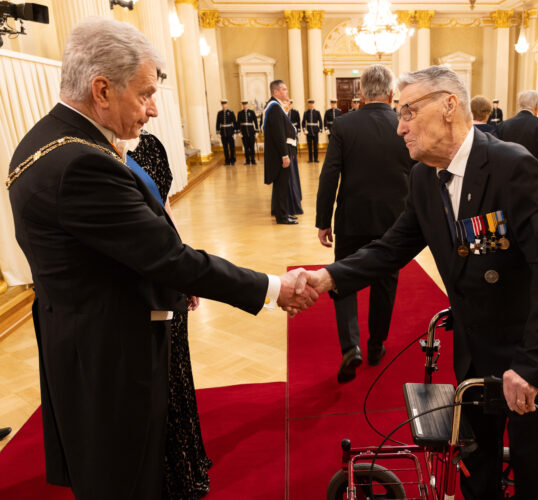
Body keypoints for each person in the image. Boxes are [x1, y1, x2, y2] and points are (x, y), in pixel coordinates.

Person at [7, 18, 317, 499]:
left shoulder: (48, 138)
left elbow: (120, 248)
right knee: (124, 472)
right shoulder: (83, 162)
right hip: (108, 349)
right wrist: (274, 288)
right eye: (146, 93)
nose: (153, 109)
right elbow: (168, 257)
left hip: (81, 329)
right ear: (102, 89)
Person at [306, 65, 538, 499]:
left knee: (531, 471)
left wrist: (530, 365)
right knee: (477, 463)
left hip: (531, 351)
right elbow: (391, 247)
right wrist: (326, 277)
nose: (400, 128)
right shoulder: (424, 178)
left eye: (408, 113)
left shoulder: (512, 167)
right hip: (476, 350)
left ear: (449, 106)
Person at [315, 64, 414, 383]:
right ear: (390, 94)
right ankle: (376, 345)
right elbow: (416, 170)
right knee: (385, 281)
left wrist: (322, 220)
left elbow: (330, 173)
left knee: (342, 277)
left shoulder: (343, 125)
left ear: (360, 93)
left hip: (351, 218)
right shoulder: (403, 124)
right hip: (393, 219)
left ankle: (350, 347)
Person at [128, 130, 210, 498]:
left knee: (176, 370)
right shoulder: (91, 153)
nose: (152, 107)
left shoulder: (150, 145)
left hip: (167, 272)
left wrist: (186, 272)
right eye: (143, 94)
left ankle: (185, 464)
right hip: (133, 287)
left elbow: (165, 207)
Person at [497, 90, 538, 190]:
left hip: (508, 182)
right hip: (532, 182)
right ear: (536, 106)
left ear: (520, 105)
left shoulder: (503, 126)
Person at [264, 80, 299, 225]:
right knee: (281, 186)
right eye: (284, 89)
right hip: (280, 155)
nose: (286, 91)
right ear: (276, 92)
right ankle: (282, 217)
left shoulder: (276, 107)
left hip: (281, 153)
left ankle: (284, 213)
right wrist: (285, 155)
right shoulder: (274, 108)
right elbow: (279, 134)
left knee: (282, 186)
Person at [215, 99, 237, 165]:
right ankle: (227, 160)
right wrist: (218, 131)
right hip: (223, 132)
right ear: (221, 105)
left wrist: (235, 132)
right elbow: (218, 122)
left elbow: (234, 122)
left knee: (232, 147)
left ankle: (232, 160)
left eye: (224, 104)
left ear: (226, 105)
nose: (223, 105)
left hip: (230, 131)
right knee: (225, 147)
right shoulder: (219, 113)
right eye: (222, 104)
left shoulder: (231, 112)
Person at [237, 100, 259, 165]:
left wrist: (257, 131)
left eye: (245, 104)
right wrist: (239, 132)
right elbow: (238, 122)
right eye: (243, 104)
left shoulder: (251, 112)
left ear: (247, 105)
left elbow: (255, 121)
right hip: (244, 132)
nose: (244, 105)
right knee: (246, 147)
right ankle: (247, 160)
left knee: (252, 147)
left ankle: (253, 160)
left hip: (251, 131)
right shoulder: (240, 113)